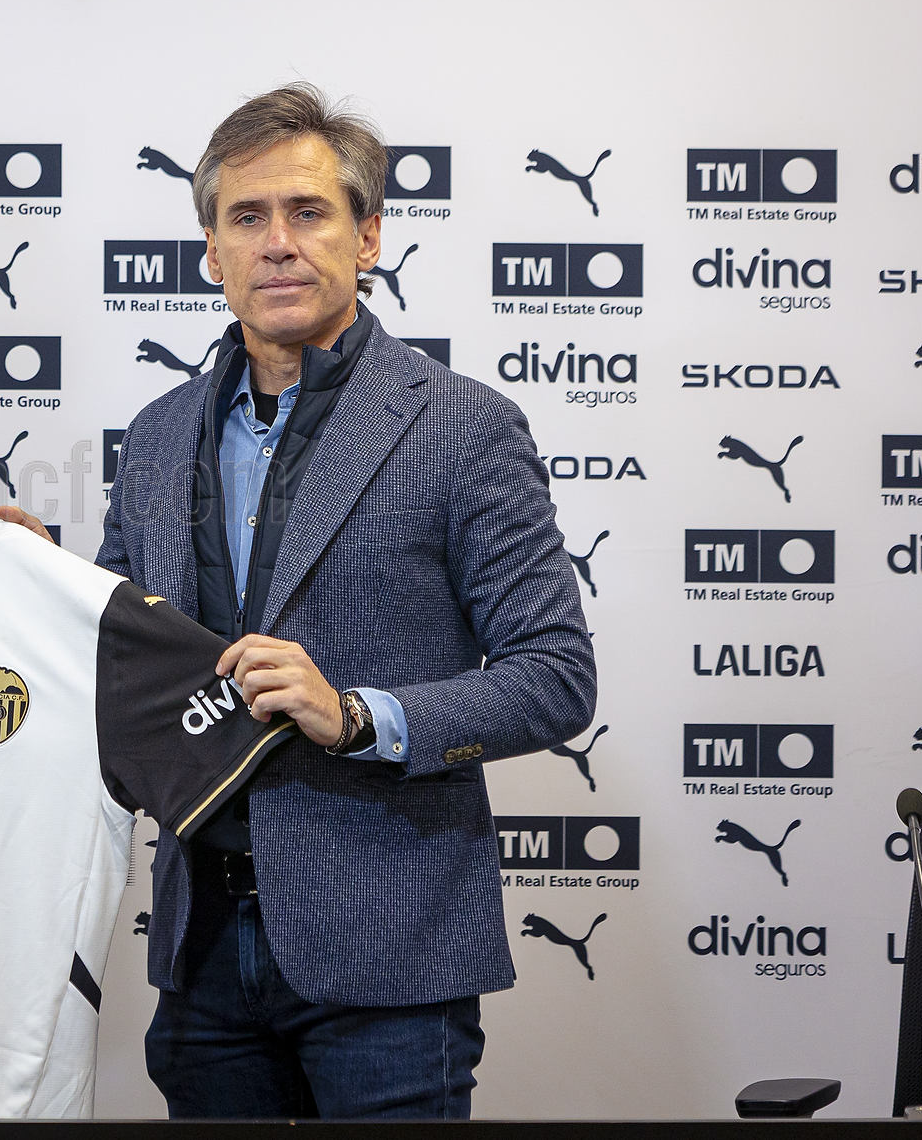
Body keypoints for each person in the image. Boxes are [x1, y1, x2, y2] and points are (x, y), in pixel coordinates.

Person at [98, 82, 597, 1119]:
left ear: (368, 236)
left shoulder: (463, 428)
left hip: (391, 960)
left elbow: (554, 677)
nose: (278, 243)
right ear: (210, 251)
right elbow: (119, 662)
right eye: (248, 217)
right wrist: (27, 582)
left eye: (308, 212)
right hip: (196, 954)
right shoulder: (152, 437)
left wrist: (359, 714)